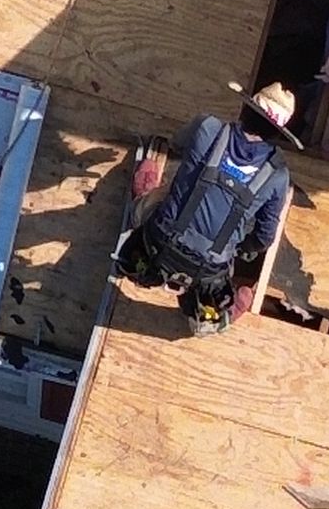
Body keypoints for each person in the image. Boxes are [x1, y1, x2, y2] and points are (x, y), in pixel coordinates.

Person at [117, 85, 299, 336]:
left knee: (152, 205)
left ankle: (144, 206)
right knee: (206, 321)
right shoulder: (278, 176)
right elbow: (264, 238)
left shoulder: (208, 127)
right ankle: (225, 310)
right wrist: (240, 248)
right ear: (277, 134)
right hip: (209, 268)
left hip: (158, 241)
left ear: (246, 108)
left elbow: (177, 145)